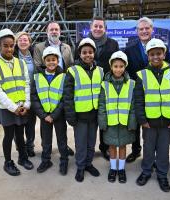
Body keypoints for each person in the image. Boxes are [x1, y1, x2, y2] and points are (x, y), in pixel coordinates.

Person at [134, 38, 170, 192]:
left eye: (158, 53)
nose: (155, 57)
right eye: (152, 54)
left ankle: (162, 174)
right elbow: (138, 100)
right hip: (149, 122)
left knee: (163, 149)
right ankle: (146, 171)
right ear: (148, 56)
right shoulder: (142, 75)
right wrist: (142, 120)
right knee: (148, 148)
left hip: (167, 123)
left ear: (164, 54)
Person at [124, 17, 170, 163]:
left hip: (156, 94)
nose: (144, 31)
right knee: (137, 122)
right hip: (136, 92)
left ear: (152, 30)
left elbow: (167, 68)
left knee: (154, 124)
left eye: (147, 28)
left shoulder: (163, 49)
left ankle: (153, 154)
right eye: (141, 29)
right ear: (137, 31)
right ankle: (136, 150)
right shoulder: (129, 49)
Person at [0, 28, 34, 176]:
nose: (9, 48)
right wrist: (13, 107)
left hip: (21, 106)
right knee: (8, 136)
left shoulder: (21, 63)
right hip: (6, 108)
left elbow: (26, 84)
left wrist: (26, 104)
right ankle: (8, 162)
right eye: (5, 45)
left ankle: (22, 157)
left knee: (20, 135)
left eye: (11, 45)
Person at [75, 16, 119, 160]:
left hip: (107, 85)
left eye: (101, 26)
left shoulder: (113, 44)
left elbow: (116, 64)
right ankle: (88, 151)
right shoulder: (81, 44)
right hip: (88, 86)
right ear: (91, 27)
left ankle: (104, 147)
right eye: (96, 26)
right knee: (92, 120)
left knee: (104, 119)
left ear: (105, 28)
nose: (98, 29)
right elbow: (77, 63)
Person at [63, 38, 104, 182]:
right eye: (84, 52)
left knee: (91, 142)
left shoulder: (100, 71)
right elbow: (67, 96)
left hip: (94, 115)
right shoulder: (72, 71)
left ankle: (88, 164)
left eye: (91, 52)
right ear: (79, 54)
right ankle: (80, 167)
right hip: (80, 116)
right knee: (81, 143)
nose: (88, 55)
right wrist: (71, 116)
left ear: (94, 53)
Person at [33, 21, 74, 156]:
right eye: (51, 29)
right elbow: (38, 66)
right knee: (46, 137)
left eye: (56, 29)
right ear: (47, 32)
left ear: (60, 32)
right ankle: (46, 157)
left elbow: (71, 66)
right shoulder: (39, 47)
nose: (54, 32)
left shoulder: (66, 47)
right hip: (46, 95)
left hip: (61, 88)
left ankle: (63, 153)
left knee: (61, 133)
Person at [98, 51, 136, 183]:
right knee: (112, 146)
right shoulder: (105, 84)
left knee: (123, 146)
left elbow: (133, 105)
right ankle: (113, 169)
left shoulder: (131, 84)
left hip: (125, 123)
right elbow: (102, 104)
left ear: (125, 67)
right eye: (115, 66)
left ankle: (121, 169)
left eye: (121, 66)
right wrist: (102, 121)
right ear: (111, 67)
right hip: (111, 123)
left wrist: (132, 122)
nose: (118, 69)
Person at [31, 46, 69, 175]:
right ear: (44, 61)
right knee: (45, 140)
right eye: (48, 60)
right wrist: (43, 115)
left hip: (58, 115)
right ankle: (46, 160)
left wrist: (54, 114)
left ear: (58, 61)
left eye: (54, 59)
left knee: (62, 140)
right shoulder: (37, 77)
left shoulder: (64, 76)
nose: (51, 62)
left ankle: (64, 161)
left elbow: (65, 98)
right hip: (45, 116)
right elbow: (34, 97)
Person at [14, 31, 36, 157]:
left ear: (30, 42)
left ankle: (30, 146)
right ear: (17, 42)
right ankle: (20, 147)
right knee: (18, 123)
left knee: (30, 124)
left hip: (32, 94)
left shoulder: (33, 55)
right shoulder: (13, 56)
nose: (23, 42)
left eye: (25, 40)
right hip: (18, 95)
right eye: (20, 39)